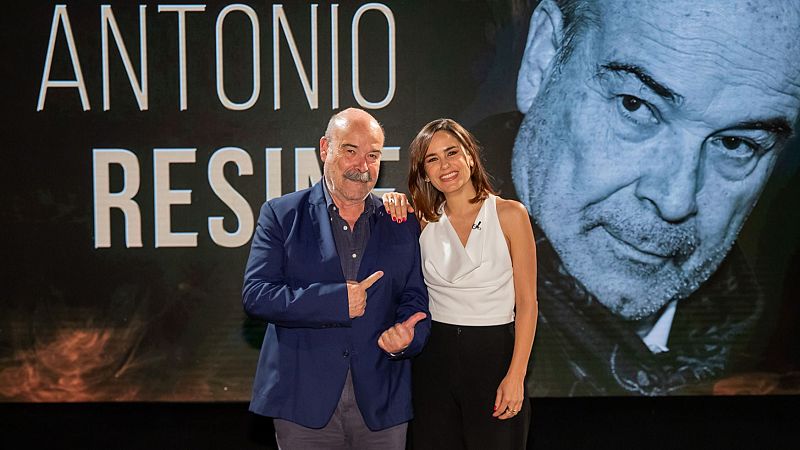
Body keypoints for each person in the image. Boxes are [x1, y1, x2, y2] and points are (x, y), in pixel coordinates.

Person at [498, 0, 800, 395]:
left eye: (734, 143)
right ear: (544, 59)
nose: (675, 201)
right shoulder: (429, 303)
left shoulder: (762, 342)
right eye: (635, 105)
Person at [242, 107, 431, 449]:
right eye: (351, 151)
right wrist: (335, 301)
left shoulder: (400, 221)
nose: (362, 166)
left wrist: (408, 337)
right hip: (303, 405)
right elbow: (256, 295)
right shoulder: (282, 215)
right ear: (325, 149)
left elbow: (414, 301)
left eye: (372, 155)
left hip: (381, 404)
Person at [383, 118, 537, 449]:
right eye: (432, 159)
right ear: (424, 172)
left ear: (469, 155)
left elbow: (527, 303)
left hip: (495, 358)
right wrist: (393, 203)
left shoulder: (510, 214)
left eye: (451, 152)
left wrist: (516, 376)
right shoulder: (422, 221)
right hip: (433, 363)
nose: (445, 165)